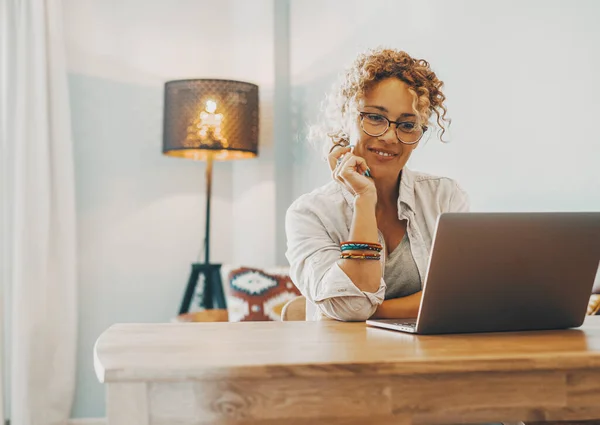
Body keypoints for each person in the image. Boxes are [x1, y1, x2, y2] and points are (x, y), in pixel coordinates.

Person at [285, 47, 469, 321]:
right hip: (342, 358)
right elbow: (351, 307)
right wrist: (364, 198)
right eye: (374, 117)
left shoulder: (444, 196)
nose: (389, 137)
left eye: (407, 125)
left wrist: (374, 310)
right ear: (348, 117)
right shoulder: (310, 214)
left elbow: (460, 296)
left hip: (428, 357)